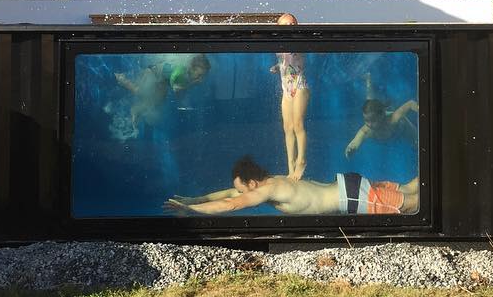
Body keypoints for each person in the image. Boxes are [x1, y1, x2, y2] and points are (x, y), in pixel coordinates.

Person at [163, 156, 420, 216]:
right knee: (410, 189)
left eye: (243, 190)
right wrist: (193, 200)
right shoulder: (274, 181)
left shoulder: (267, 190)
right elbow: (229, 194)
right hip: (348, 184)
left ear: (252, 183)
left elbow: (231, 204)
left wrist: (191, 211)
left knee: (414, 205)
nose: (242, 195)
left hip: (351, 197)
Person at [344, 72, 419, 157]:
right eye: (366, 120)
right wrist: (351, 149)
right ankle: (368, 79)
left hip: (401, 126)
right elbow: (356, 140)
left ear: (382, 116)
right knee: (370, 103)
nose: (369, 124)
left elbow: (410, 104)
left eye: (373, 121)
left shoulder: (393, 119)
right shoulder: (366, 130)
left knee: (416, 140)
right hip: (378, 113)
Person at [272, 13, 308, 179]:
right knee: (287, 127)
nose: (289, 27)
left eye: (292, 24)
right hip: (286, 89)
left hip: (300, 86)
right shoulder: (278, 44)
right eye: (285, 25)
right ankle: (290, 166)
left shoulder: (298, 40)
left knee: (298, 124)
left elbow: (297, 57)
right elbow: (286, 61)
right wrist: (277, 67)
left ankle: (301, 160)